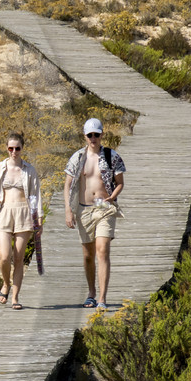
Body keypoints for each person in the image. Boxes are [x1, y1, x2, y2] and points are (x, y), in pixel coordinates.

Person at [64, 117, 125, 309]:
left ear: (102, 135)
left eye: (96, 135)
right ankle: (91, 293)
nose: (93, 138)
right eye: (90, 135)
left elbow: (120, 182)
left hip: (104, 209)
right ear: (85, 136)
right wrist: (68, 210)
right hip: (84, 210)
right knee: (88, 254)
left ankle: (102, 298)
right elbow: (67, 185)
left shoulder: (111, 156)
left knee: (102, 250)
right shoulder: (77, 158)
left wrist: (112, 196)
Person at [0, 132, 41, 310]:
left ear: (22, 148)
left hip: (24, 214)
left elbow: (36, 195)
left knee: (18, 258)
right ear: (6, 148)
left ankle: (15, 297)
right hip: (4, 213)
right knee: (4, 257)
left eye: (17, 148)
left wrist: (38, 219)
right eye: (11, 148)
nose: (14, 151)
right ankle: (6, 284)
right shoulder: (0, 168)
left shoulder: (29, 170)